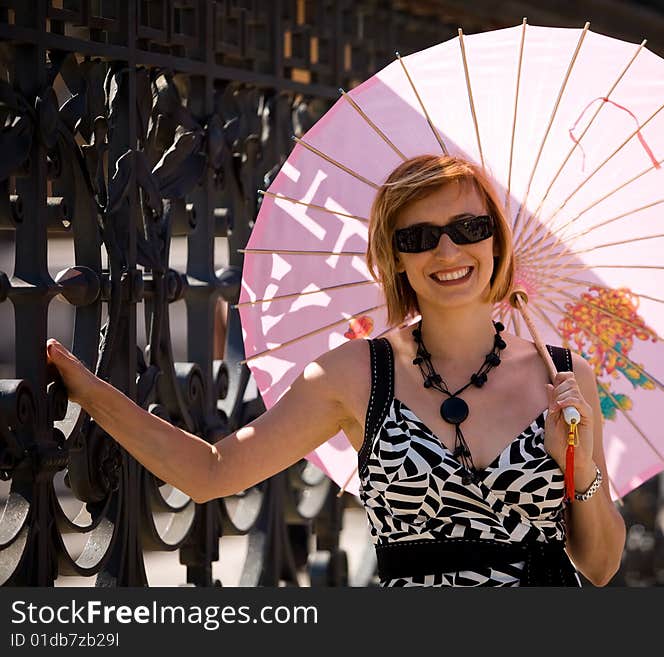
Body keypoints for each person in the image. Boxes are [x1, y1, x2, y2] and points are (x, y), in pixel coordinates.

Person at [46, 154, 626, 587]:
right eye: (420, 238)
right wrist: (90, 394)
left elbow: (599, 567)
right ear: (395, 258)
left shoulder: (562, 380)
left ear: (496, 241)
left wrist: (576, 467)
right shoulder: (356, 375)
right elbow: (210, 472)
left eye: (469, 229)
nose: (449, 253)